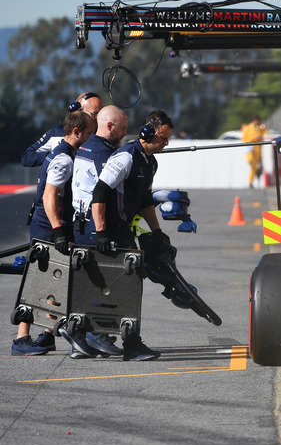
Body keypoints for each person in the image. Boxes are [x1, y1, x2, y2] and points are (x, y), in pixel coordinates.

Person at [87, 110, 176, 361]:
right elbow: (100, 192)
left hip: (124, 227)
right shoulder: (125, 157)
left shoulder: (151, 162)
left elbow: (146, 200)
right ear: (148, 133)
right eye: (163, 138)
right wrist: (102, 231)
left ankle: (105, 336)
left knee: (128, 284)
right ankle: (121, 341)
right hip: (111, 229)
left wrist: (156, 231)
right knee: (126, 284)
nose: (166, 143)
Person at [12, 111, 96, 356]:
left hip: (50, 224)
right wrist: (59, 230)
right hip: (48, 227)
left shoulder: (65, 153)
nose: (91, 137)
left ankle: (47, 335)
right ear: (77, 132)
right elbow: (49, 196)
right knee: (37, 284)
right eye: (89, 133)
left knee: (54, 282)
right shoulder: (64, 159)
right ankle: (21, 340)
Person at [66, 106, 130, 359]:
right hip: (95, 224)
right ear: (110, 126)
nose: (126, 133)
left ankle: (81, 342)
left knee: (89, 280)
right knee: (105, 281)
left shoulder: (85, 146)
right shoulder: (103, 152)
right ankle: (95, 333)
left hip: (81, 222)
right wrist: (103, 230)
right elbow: (102, 193)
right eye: (123, 128)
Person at [22, 92, 103, 167]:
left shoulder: (101, 138)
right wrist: (55, 156)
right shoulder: (56, 133)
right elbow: (28, 157)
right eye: (94, 114)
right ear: (77, 111)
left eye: (101, 114)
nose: (98, 118)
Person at [241, 114, 266, 188]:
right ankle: (257, 171)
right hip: (250, 148)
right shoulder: (248, 128)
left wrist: (260, 135)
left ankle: (251, 181)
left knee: (254, 167)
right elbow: (244, 139)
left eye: (257, 121)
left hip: (257, 149)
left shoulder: (259, 128)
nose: (256, 122)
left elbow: (264, 135)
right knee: (250, 161)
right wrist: (253, 139)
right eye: (255, 120)